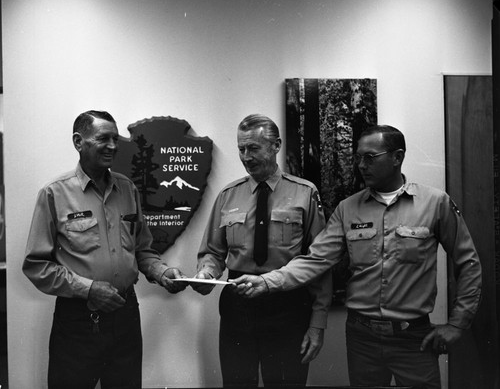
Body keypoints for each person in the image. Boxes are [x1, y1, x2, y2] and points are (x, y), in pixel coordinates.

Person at [231, 124, 482, 389]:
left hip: (413, 339)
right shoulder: (348, 209)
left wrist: (458, 324)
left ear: (397, 157)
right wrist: (268, 281)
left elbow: (468, 263)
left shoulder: (435, 203)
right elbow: (316, 259)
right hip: (363, 340)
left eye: (370, 157)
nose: (361, 165)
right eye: (358, 157)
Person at [22, 110, 189, 389]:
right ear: (79, 141)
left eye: (115, 138)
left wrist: (163, 273)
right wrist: (88, 289)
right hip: (78, 320)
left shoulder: (127, 189)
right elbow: (36, 265)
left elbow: (142, 250)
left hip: (125, 315)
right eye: (103, 138)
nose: (113, 145)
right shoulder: (54, 193)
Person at [192, 114, 332, 389]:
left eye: (253, 148)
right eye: (241, 148)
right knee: (237, 382)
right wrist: (206, 273)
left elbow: (320, 262)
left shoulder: (305, 194)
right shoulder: (229, 195)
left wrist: (318, 324)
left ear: (276, 145)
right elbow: (213, 251)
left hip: (288, 304)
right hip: (238, 305)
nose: (246, 156)